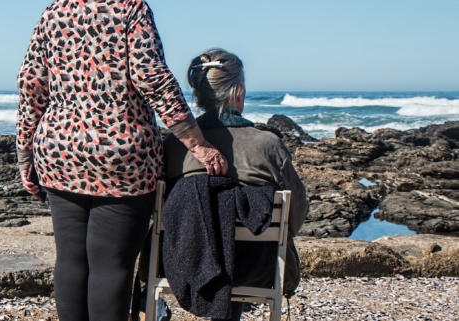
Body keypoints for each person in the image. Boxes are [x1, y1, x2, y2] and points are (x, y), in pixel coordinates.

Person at [15, 1, 228, 320]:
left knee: (70, 260)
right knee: (111, 264)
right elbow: (151, 77)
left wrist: (24, 154)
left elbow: (31, 85)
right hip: (121, 153)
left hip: (59, 151)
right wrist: (198, 144)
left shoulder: (54, 11)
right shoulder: (130, 8)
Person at [162, 48, 309, 321]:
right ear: (238, 90)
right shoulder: (268, 144)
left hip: (180, 264)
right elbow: (296, 212)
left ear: (198, 94)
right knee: (245, 244)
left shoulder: (173, 146)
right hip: (256, 268)